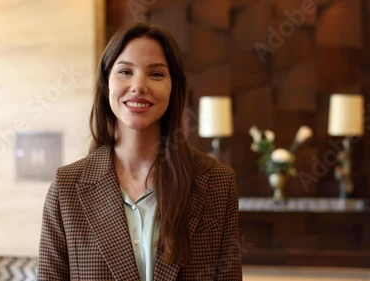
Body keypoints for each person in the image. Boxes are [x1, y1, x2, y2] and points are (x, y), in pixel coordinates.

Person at [37, 22, 242, 281]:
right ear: (106, 83)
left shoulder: (216, 183)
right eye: (125, 71)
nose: (138, 85)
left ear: (173, 87)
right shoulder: (67, 187)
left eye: (156, 74)